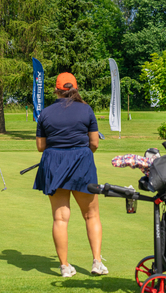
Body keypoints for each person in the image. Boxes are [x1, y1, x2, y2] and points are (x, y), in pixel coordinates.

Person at [33, 72, 108, 277]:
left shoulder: (45, 113)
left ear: (56, 90)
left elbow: (41, 146)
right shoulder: (86, 109)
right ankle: (97, 263)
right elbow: (94, 143)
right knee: (91, 215)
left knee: (60, 218)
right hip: (82, 162)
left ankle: (65, 267)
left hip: (53, 163)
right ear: (75, 89)